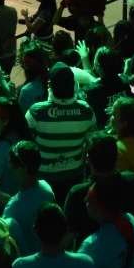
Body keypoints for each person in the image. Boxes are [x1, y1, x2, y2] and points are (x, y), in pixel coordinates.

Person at [27, 64, 97, 198]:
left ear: (50, 85)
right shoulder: (86, 110)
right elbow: (92, 142)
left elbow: (27, 144)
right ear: (74, 85)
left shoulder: (36, 112)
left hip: (45, 180)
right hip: (75, 176)